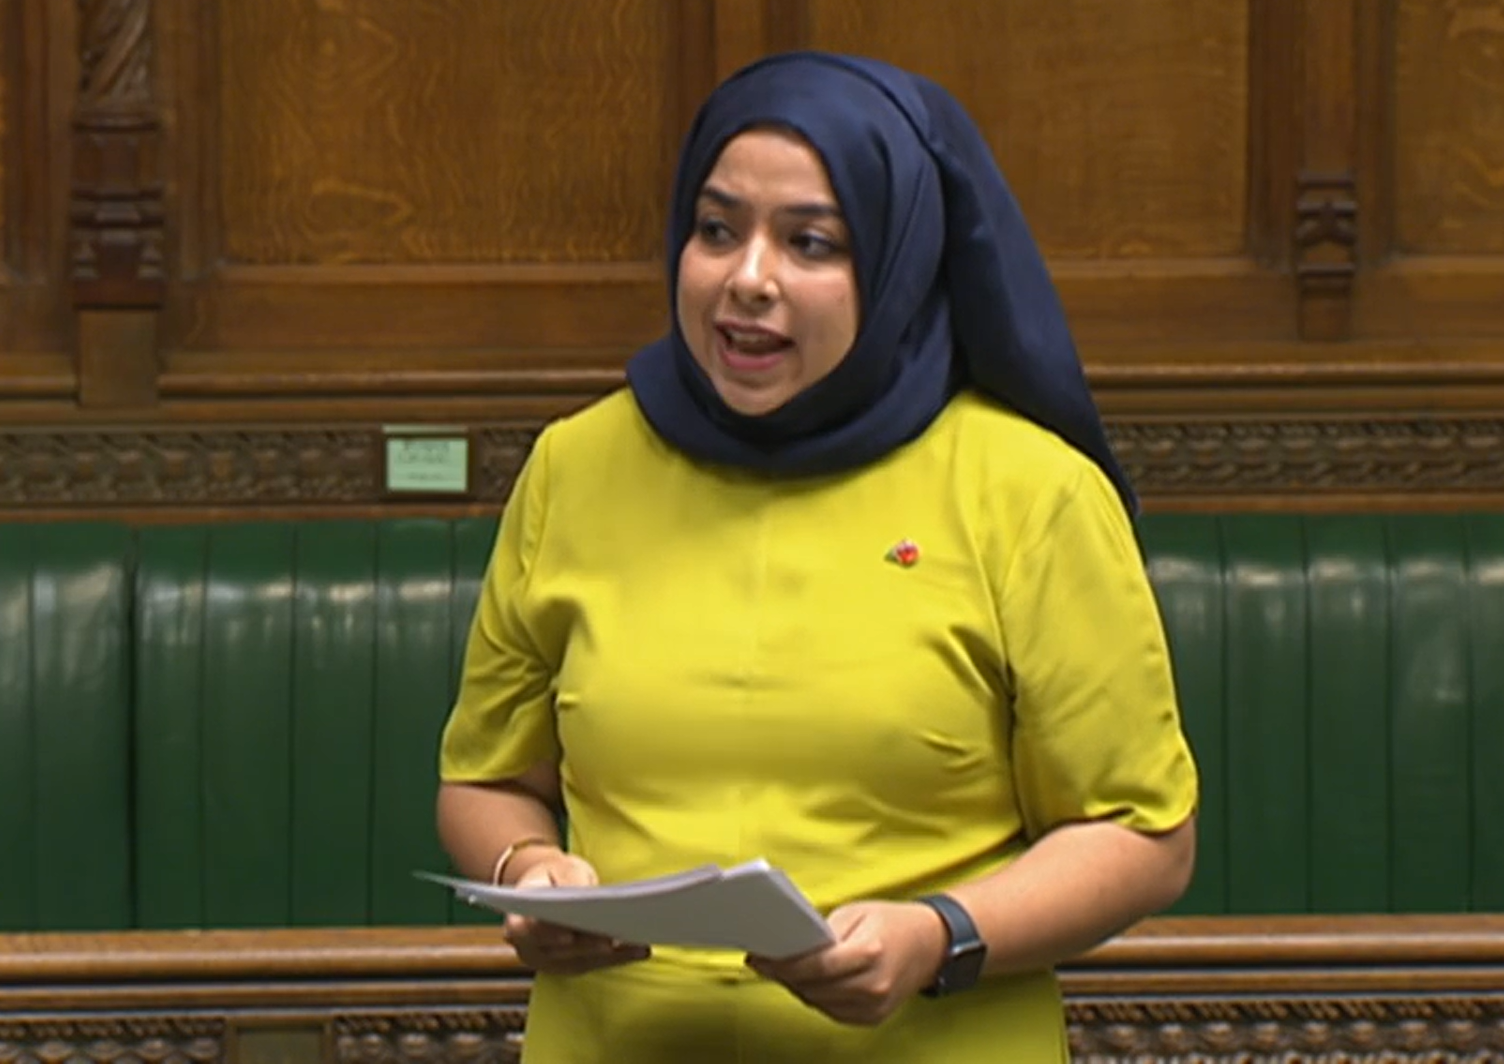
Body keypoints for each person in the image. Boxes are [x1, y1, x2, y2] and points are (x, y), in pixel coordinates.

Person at [436, 50, 1198, 1063]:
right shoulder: (576, 465)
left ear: (893, 262)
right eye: (716, 231)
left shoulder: (1030, 490)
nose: (748, 280)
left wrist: (939, 934)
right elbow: (485, 779)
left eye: (810, 243)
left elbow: (1144, 834)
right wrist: (532, 868)